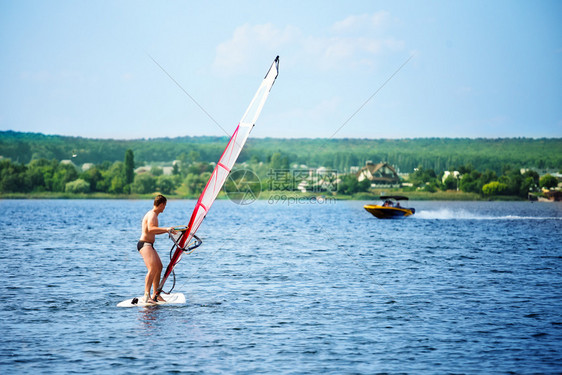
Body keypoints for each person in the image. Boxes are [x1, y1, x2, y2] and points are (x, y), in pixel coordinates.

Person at [137, 195, 175, 304]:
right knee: (153, 268)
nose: (164, 208)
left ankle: (156, 295)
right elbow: (151, 229)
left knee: (159, 267)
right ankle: (147, 296)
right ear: (161, 204)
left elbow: (154, 231)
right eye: (165, 206)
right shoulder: (152, 214)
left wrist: (167, 231)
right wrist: (167, 229)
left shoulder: (154, 215)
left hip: (149, 245)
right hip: (145, 244)